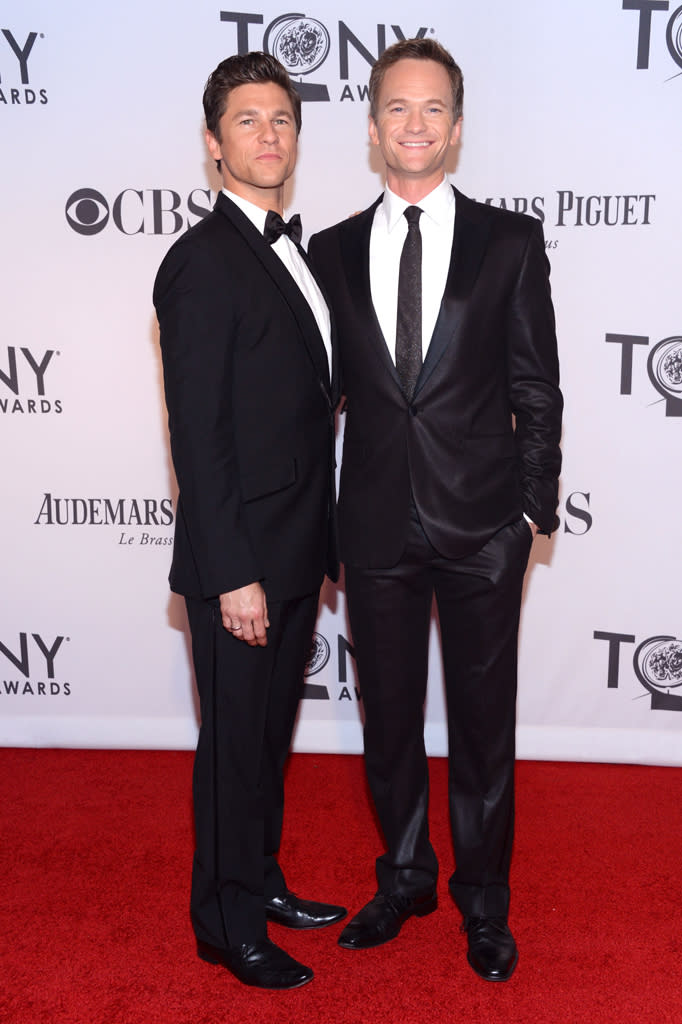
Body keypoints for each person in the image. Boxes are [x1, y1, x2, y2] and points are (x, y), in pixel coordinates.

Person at [309, 38, 562, 982]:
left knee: (484, 726)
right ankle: (406, 875)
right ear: (373, 128)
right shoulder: (328, 251)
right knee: (387, 722)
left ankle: (484, 904)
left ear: (456, 129)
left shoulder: (510, 241)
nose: (414, 126)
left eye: (433, 110)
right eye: (397, 110)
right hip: (373, 524)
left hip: (483, 526)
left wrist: (529, 512)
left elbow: (538, 386)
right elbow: (312, 400)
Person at [153, 51, 345, 991]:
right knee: (233, 750)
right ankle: (225, 926)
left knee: (268, 740)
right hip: (243, 562)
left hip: (299, 548)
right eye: (247, 121)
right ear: (211, 143)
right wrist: (232, 572)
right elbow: (200, 434)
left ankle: (262, 880)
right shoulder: (199, 265)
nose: (269, 136)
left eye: (282, 120)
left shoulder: (292, 251)